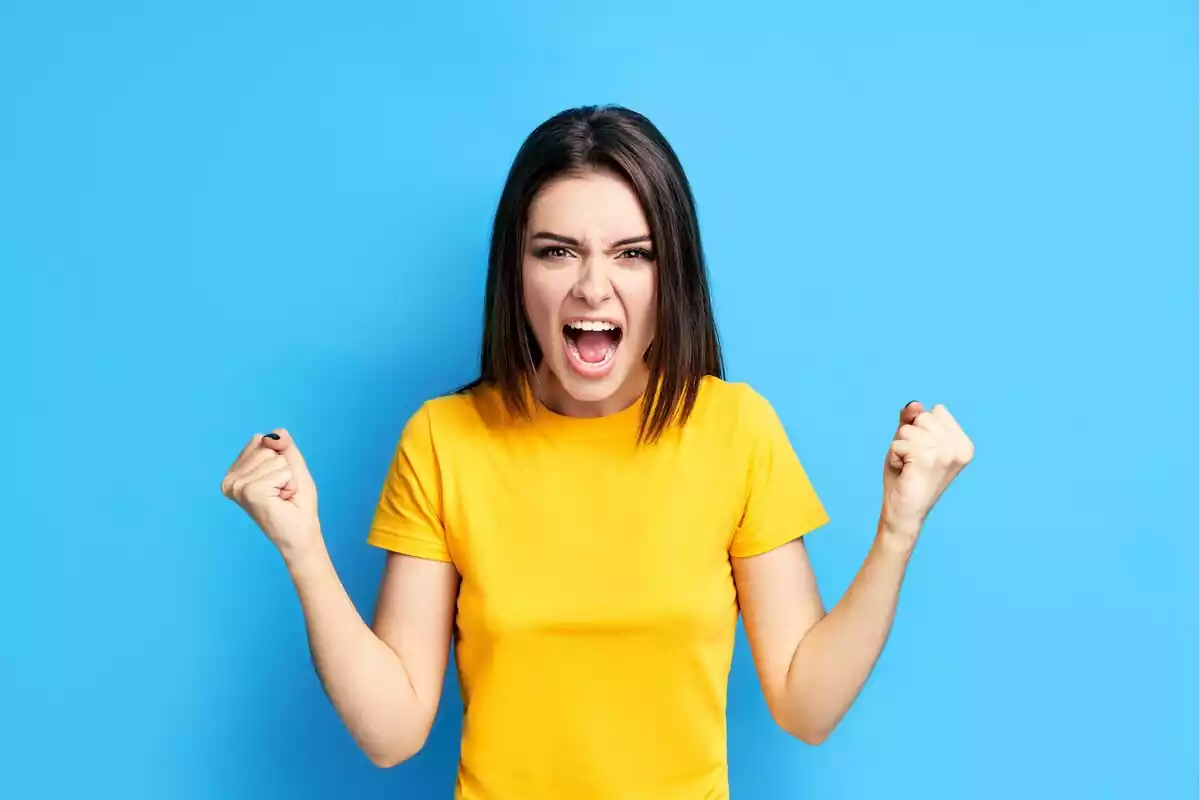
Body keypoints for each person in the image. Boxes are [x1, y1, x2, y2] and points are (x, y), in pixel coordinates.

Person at [221, 105, 974, 800]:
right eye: (557, 252)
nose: (592, 286)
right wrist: (304, 551)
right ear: (516, 274)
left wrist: (898, 532)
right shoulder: (444, 441)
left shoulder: (735, 431)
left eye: (631, 254)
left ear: (669, 272)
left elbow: (806, 706)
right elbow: (392, 733)